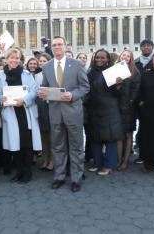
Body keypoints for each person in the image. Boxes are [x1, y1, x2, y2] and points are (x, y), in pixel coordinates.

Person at [38, 36, 89, 192]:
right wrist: (43, 94)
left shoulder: (77, 64)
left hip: (73, 111)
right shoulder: (46, 67)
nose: (57, 47)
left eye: (60, 44)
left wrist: (73, 95)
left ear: (65, 46)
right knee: (58, 146)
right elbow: (45, 87)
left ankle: (76, 179)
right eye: (54, 45)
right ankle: (59, 176)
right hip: (55, 112)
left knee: (76, 147)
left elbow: (85, 87)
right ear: (51, 48)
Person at [0, 48, 42, 184]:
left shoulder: (27, 74)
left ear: (20, 59)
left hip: (24, 111)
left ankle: (27, 172)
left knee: (26, 143)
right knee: (15, 143)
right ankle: (19, 172)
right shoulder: (0, 75)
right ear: (6, 59)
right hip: (11, 113)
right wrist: (2, 99)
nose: (14, 60)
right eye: (11, 57)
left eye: (17, 58)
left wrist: (25, 100)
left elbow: (34, 91)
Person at [85, 49, 123, 176]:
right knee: (95, 138)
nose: (99, 60)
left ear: (108, 59)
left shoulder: (113, 72)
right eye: (97, 57)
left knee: (110, 139)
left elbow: (119, 94)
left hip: (109, 110)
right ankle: (97, 163)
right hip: (93, 109)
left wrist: (118, 86)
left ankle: (108, 165)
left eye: (102, 58)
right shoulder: (90, 73)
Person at [116, 50, 141, 171]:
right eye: (123, 55)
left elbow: (135, 92)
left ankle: (125, 161)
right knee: (119, 135)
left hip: (129, 109)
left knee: (128, 135)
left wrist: (128, 104)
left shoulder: (135, 72)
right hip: (115, 108)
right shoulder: (114, 70)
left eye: (128, 55)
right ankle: (119, 159)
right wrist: (117, 85)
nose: (125, 57)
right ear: (120, 57)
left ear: (131, 59)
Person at [134, 39, 154, 164]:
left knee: (152, 130)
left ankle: (152, 154)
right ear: (140, 48)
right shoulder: (136, 62)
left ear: (152, 47)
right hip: (138, 101)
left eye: (149, 46)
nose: (146, 48)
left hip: (152, 102)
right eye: (144, 46)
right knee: (142, 130)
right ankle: (142, 154)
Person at [36, 53, 53, 171]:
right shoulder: (36, 76)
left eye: (44, 61)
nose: (42, 63)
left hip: (50, 106)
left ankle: (52, 161)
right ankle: (45, 159)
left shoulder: (53, 74)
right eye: (40, 61)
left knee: (52, 137)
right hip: (40, 106)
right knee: (44, 136)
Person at [75, 52, 92, 163]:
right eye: (80, 57)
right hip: (76, 105)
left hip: (87, 107)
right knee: (77, 135)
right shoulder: (73, 71)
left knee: (88, 133)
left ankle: (88, 156)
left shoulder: (89, 72)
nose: (82, 59)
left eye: (84, 57)